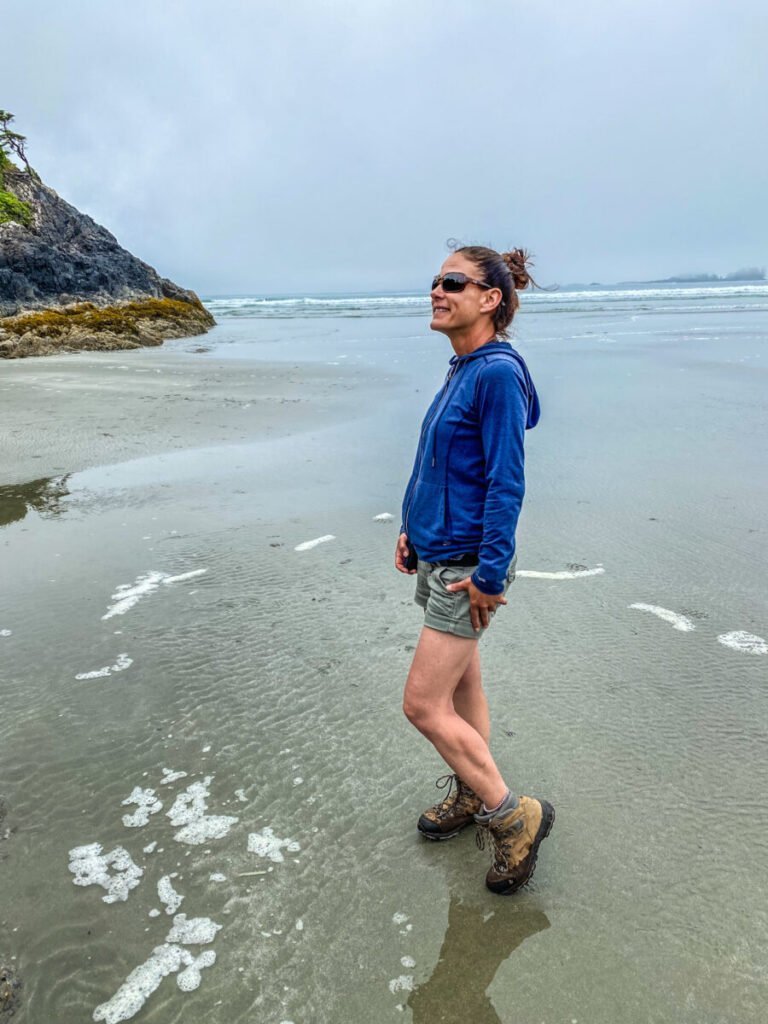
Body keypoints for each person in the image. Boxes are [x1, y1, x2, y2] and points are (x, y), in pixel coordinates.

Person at [396, 243, 554, 895]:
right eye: (435, 280)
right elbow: (436, 462)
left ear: (490, 299)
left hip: (469, 566)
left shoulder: (493, 374)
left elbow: (505, 483)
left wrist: (489, 575)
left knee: (422, 705)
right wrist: (412, 527)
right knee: (463, 691)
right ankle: (469, 793)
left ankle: (513, 815)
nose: (437, 290)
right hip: (440, 553)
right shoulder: (462, 368)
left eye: (453, 282)